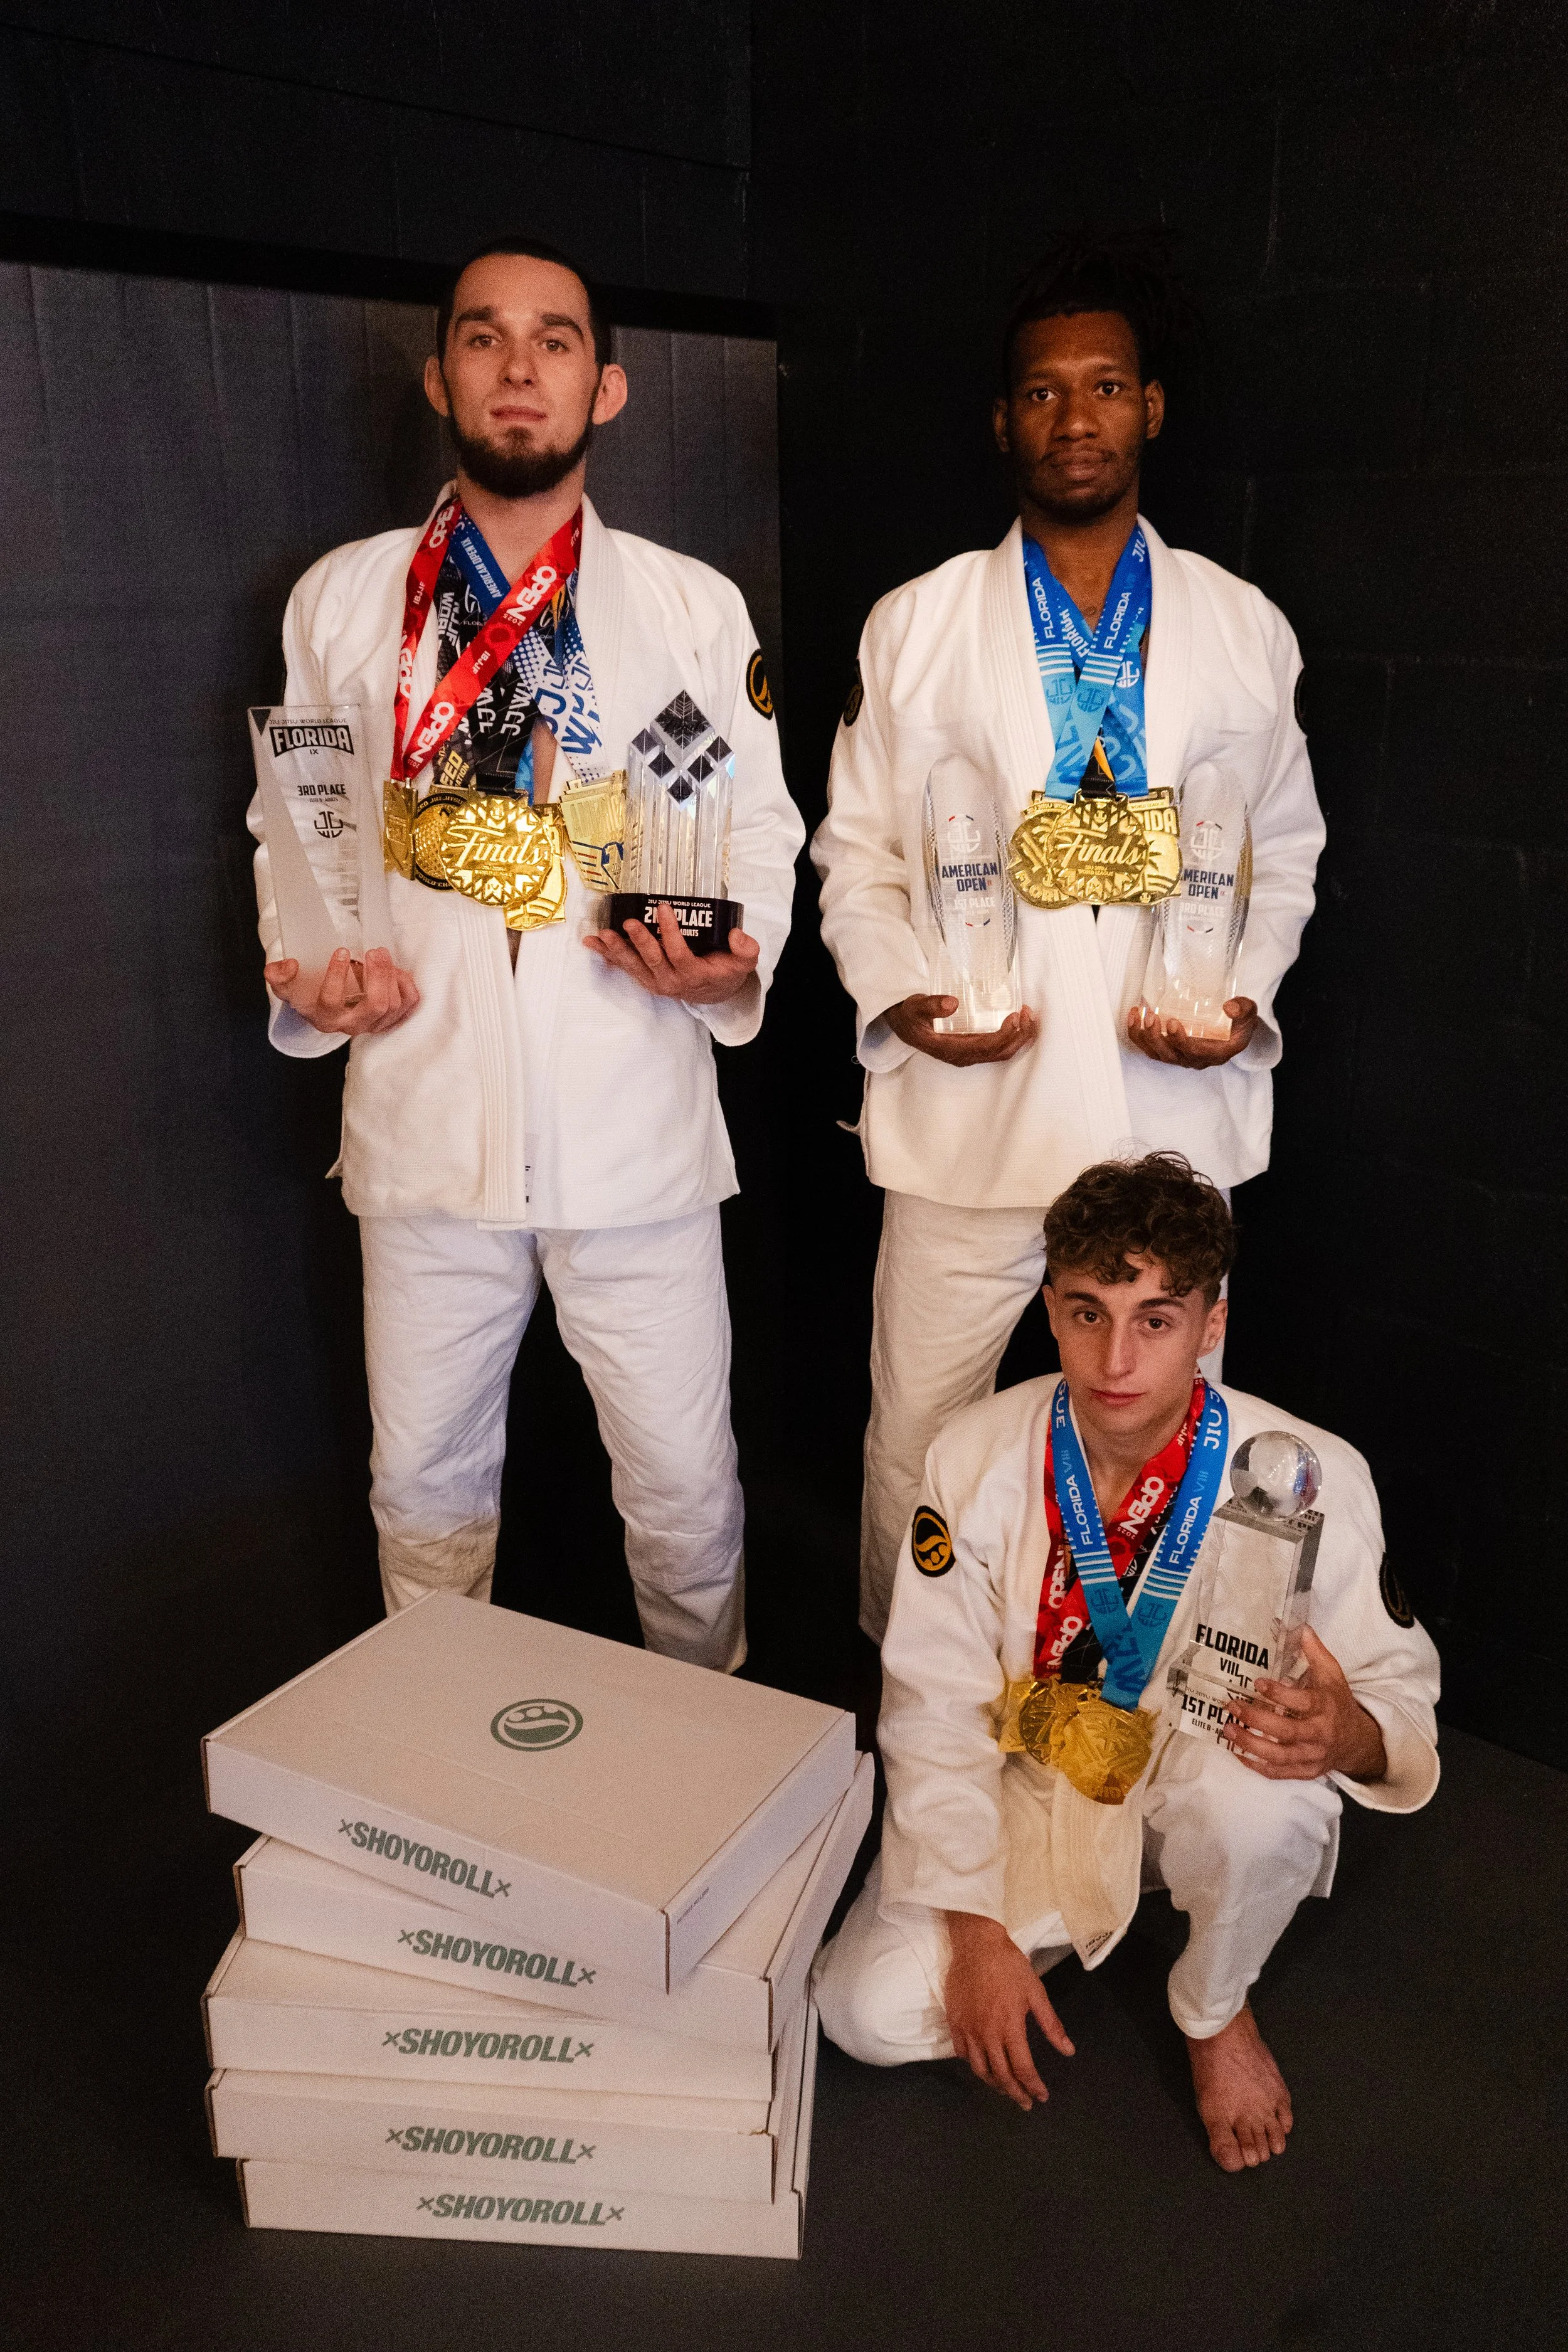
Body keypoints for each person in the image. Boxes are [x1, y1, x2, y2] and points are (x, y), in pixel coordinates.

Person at [250, 236, 802, 1666]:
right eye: (484, 338)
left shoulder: (690, 609)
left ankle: (710, 1767)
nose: (516, 366)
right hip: (428, 1121)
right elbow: (297, 830)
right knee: (422, 1492)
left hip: (633, 1128)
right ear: (439, 374)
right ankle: (442, 1787)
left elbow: (757, 839)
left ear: (605, 387)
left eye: (553, 340)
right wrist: (313, 979)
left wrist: (732, 972)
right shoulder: (346, 599)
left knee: (685, 1496)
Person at [810, 228, 1327, 1643]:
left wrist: (1240, 997)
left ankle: (1136, 1700)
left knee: (1159, 1438)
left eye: (1104, 386)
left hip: (1169, 1103)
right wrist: (908, 996)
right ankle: (901, 1688)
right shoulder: (913, 625)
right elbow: (851, 856)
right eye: (1042, 391)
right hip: (975, 1109)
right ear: (1002, 420)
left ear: (1149, 408)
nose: (1074, 415)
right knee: (919, 1426)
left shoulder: (1239, 626)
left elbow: (1281, 850)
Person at [813, 1153, 1439, 2173]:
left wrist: (1353, 1733)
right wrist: (974, 1934)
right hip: (1030, 1778)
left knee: (1268, 1804)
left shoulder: (1305, 1470)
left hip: (1200, 1768)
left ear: (1212, 1324)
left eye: (1156, 1317)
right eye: (1088, 1311)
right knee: (862, 2010)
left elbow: (1400, 1687)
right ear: (1050, 1310)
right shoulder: (972, 1458)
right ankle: (1063, 1917)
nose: (1115, 1357)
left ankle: (1212, 2003)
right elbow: (930, 1708)